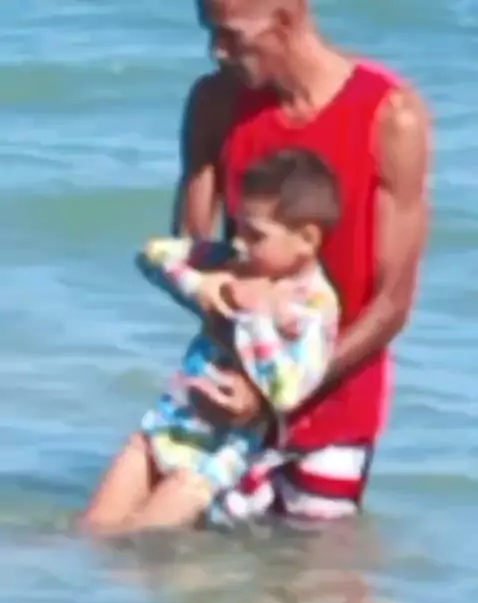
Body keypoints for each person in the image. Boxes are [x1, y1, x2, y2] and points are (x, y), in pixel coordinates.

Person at [81, 0, 430, 531]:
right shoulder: (216, 102)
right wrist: (230, 331)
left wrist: (271, 396)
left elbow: (391, 304)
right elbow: (194, 252)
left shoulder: (389, 116)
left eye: (230, 36)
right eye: (209, 34)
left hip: (335, 415)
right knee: (177, 569)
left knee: (317, 578)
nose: (216, 52)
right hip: (223, 398)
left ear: (286, 20)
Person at [84, 149, 340, 534]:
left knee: (134, 543)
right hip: (165, 425)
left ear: (307, 239)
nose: (242, 243)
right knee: (92, 532)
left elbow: (287, 393)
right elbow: (151, 256)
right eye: (238, 228)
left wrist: (256, 316)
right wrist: (200, 285)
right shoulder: (230, 262)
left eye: (256, 235)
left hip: (212, 463)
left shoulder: (312, 305)